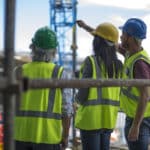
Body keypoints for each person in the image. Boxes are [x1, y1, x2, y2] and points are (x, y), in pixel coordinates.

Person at [14, 26, 73, 150]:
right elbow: (67, 109)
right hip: (48, 138)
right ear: (54, 51)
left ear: (33, 48)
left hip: (20, 136)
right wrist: (66, 136)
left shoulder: (19, 71)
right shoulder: (59, 73)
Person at [75, 21, 123, 150]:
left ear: (97, 42)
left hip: (91, 120)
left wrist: (76, 100)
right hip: (108, 119)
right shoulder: (118, 65)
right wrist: (86, 27)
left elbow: (82, 94)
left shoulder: (91, 61)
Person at [118, 18, 150, 150]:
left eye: (123, 34)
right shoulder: (131, 54)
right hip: (136, 117)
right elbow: (111, 44)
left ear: (130, 38)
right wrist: (89, 29)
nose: (121, 37)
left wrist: (135, 126)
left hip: (140, 120)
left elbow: (145, 96)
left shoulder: (139, 64)